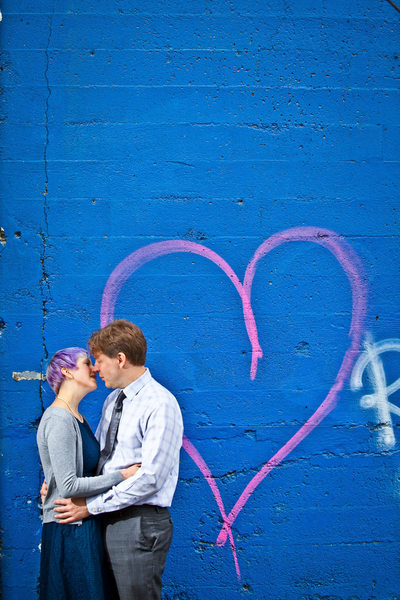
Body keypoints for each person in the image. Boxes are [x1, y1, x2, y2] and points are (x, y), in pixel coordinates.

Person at [52, 320, 184, 600]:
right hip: (107, 519)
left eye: (99, 360)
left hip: (138, 523)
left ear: (121, 359)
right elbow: (99, 458)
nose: (95, 368)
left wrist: (91, 507)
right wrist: (55, 476)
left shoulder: (160, 403)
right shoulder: (112, 401)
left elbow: (151, 478)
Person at [37, 347, 140, 600]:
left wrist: (51, 478)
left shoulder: (76, 418)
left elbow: (70, 471)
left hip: (83, 524)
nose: (94, 368)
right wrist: (122, 476)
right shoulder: (59, 418)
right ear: (67, 372)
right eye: (86, 363)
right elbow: (69, 486)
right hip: (70, 529)